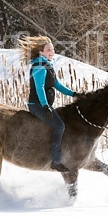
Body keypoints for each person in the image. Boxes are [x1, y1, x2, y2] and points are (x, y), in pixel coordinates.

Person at [18, 35, 80, 172]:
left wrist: (74, 94)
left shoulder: (47, 65)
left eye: (53, 49)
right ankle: (56, 161)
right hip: (37, 106)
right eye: (48, 50)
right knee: (59, 126)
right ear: (41, 52)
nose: (52, 52)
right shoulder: (39, 66)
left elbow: (57, 85)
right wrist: (45, 106)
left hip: (44, 105)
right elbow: (39, 88)